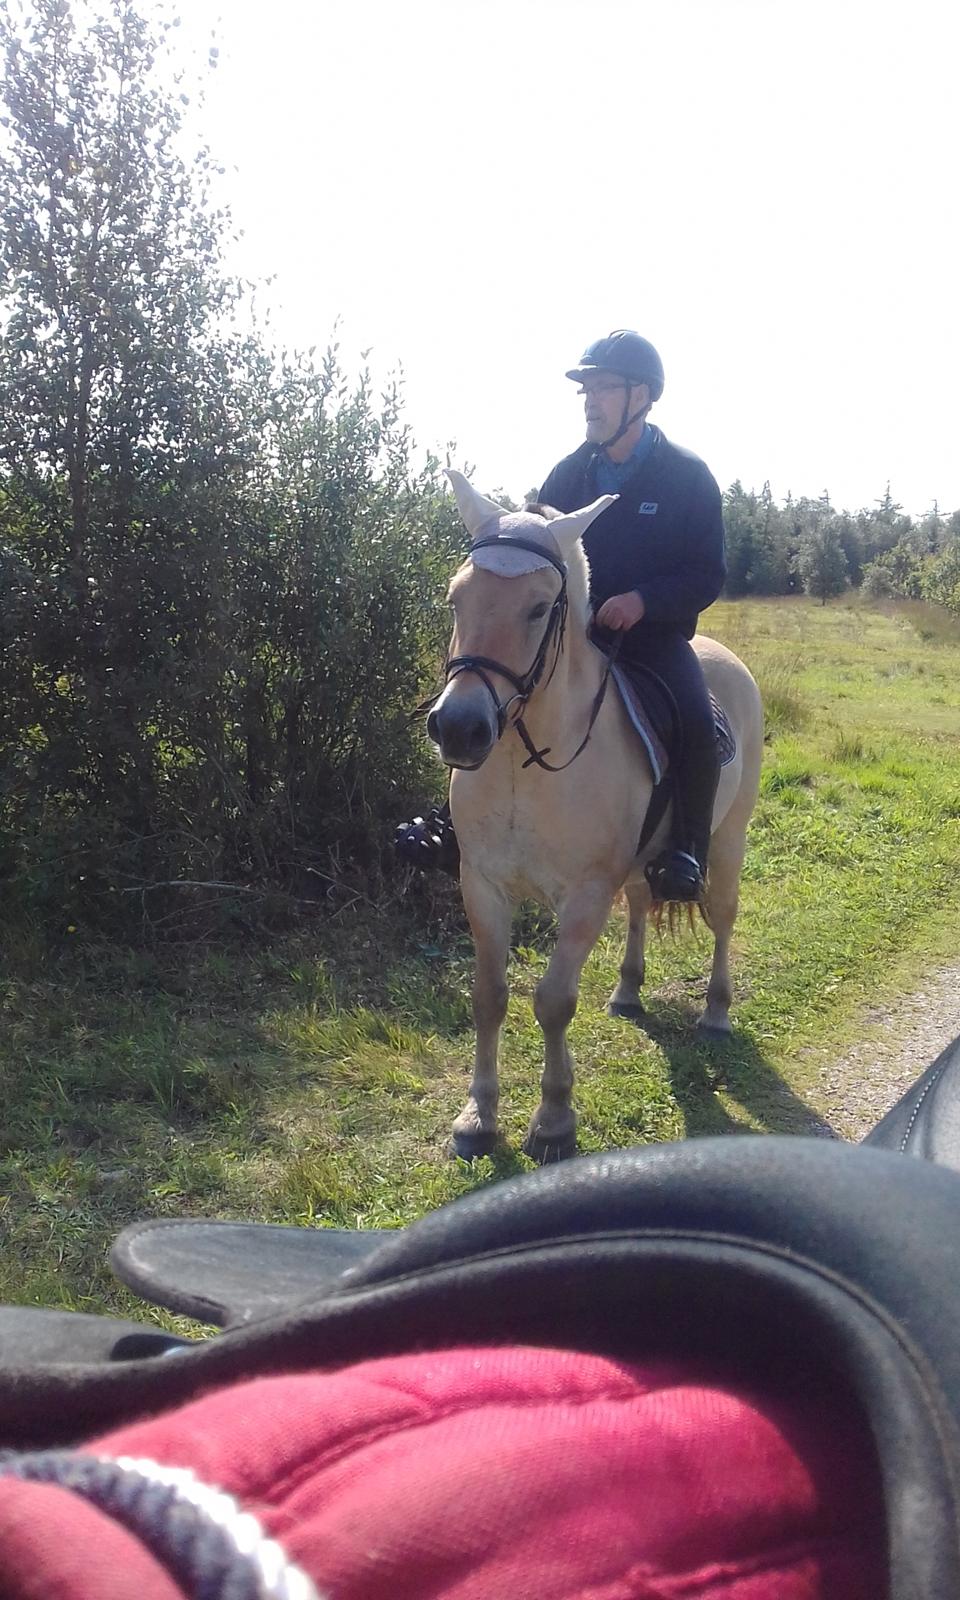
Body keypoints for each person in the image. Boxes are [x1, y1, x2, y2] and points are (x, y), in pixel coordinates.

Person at [396, 330, 727, 902]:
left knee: (697, 722)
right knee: (487, 693)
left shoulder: (687, 477)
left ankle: (686, 851)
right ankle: (457, 827)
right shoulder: (567, 475)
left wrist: (643, 601)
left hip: (650, 640)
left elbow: (706, 573)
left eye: (603, 388)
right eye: (586, 390)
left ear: (642, 395)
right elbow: (533, 556)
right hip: (569, 637)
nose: (591, 401)